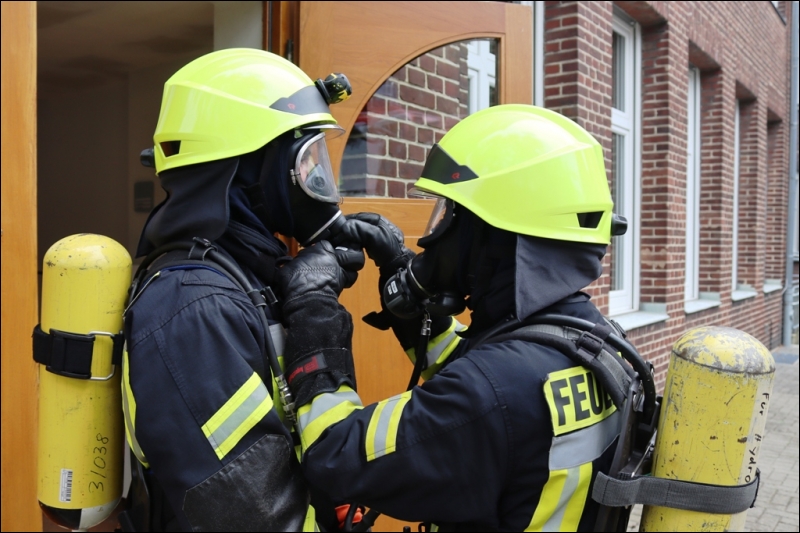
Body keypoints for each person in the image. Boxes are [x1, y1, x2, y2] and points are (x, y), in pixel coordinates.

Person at [276, 104, 634, 531]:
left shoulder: (490, 394)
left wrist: (314, 312)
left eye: (449, 214)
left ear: (486, 234)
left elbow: (335, 454)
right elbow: (478, 365)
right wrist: (399, 275)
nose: (435, 233)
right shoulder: (594, 341)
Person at [120, 48, 362, 532]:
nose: (316, 180)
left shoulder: (247, 278)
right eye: (305, 160)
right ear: (252, 171)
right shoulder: (191, 309)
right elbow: (256, 518)